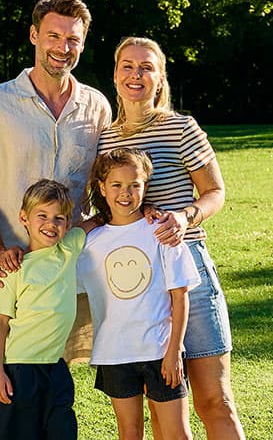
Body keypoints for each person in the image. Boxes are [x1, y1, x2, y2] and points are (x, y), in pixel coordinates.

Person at [0, 0, 111, 440]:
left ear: (83, 43)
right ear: (34, 35)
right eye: (53, 35)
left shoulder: (96, 107)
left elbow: (106, 186)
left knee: (53, 376)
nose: (62, 46)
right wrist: (0, 251)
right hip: (6, 271)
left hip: (65, 273)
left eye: (72, 39)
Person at [102, 37, 246, 439]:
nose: (136, 74)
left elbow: (216, 192)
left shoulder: (182, 128)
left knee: (213, 400)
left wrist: (185, 217)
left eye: (146, 67)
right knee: (163, 410)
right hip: (137, 287)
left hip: (188, 272)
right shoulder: (105, 138)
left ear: (160, 78)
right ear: (115, 74)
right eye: (127, 66)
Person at [80, 148, 199, 440]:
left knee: (178, 434)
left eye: (135, 185)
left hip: (160, 351)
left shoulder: (162, 231)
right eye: (117, 185)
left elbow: (180, 295)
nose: (126, 193)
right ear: (102, 188)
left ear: (145, 187)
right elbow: (55, 251)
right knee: (129, 433)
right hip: (114, 352)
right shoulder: (88, 243)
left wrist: (174, 351)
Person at [0, 179, 95, 440]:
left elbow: (100, 219)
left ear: (68, 224)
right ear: (24, 218)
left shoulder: (69, 247)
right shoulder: (14, 267)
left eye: (59, 218)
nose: (51, 224)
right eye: (42, 216)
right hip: (20, 371)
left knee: (62, 430)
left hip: (56, 368)